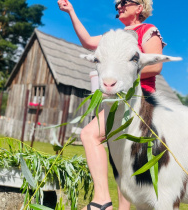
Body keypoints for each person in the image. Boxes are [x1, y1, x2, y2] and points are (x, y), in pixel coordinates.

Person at [58, 0, 166, 209]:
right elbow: (89, 41)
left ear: (140, 7)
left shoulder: (149, 31)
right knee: (120, 151)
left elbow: (157, 66)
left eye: (125, 2)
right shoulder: (114, 37)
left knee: (91, 135)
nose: (119, 5)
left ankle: (102, 201)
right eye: (117, 3)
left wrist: (121, 72)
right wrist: (71, 11)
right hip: (118, 98)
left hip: (139, 100)